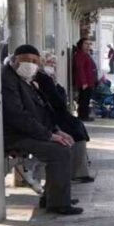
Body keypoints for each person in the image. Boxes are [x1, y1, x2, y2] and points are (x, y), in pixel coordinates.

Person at [2, 45, 82, 215]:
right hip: (13, 134)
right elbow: (17, 116)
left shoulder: (26, 79)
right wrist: (49, 136)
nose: (30, 65)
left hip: (28, 131)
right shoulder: (7, 79)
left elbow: (41, 110)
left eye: (34, 62)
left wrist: (55, 131)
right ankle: (58, 203)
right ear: (15, 60)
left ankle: (54, 196)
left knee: (67, 141)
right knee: (58, 152)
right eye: (26, 60)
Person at [37, 56, 94, 184]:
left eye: (53, 63)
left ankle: (78, 171)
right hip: (50, 118)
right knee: (76, 133)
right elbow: (58, 102)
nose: (52, 66)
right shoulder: (43, 79)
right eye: (48, 63)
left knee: (77, 128)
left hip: (54, 116)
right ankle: (77, 172)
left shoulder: (48, 79)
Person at [72, 37, 97, 121]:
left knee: (86, 99)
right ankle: (83, 116)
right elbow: (80, 69)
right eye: (86, 44)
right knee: (83, 100)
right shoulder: (80, 55)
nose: (88, 46)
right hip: (85, 83)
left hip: (89, 82)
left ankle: (84, 115)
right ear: (81, 44)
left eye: (89, 44)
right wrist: (83, 82)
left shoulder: (85, 54)